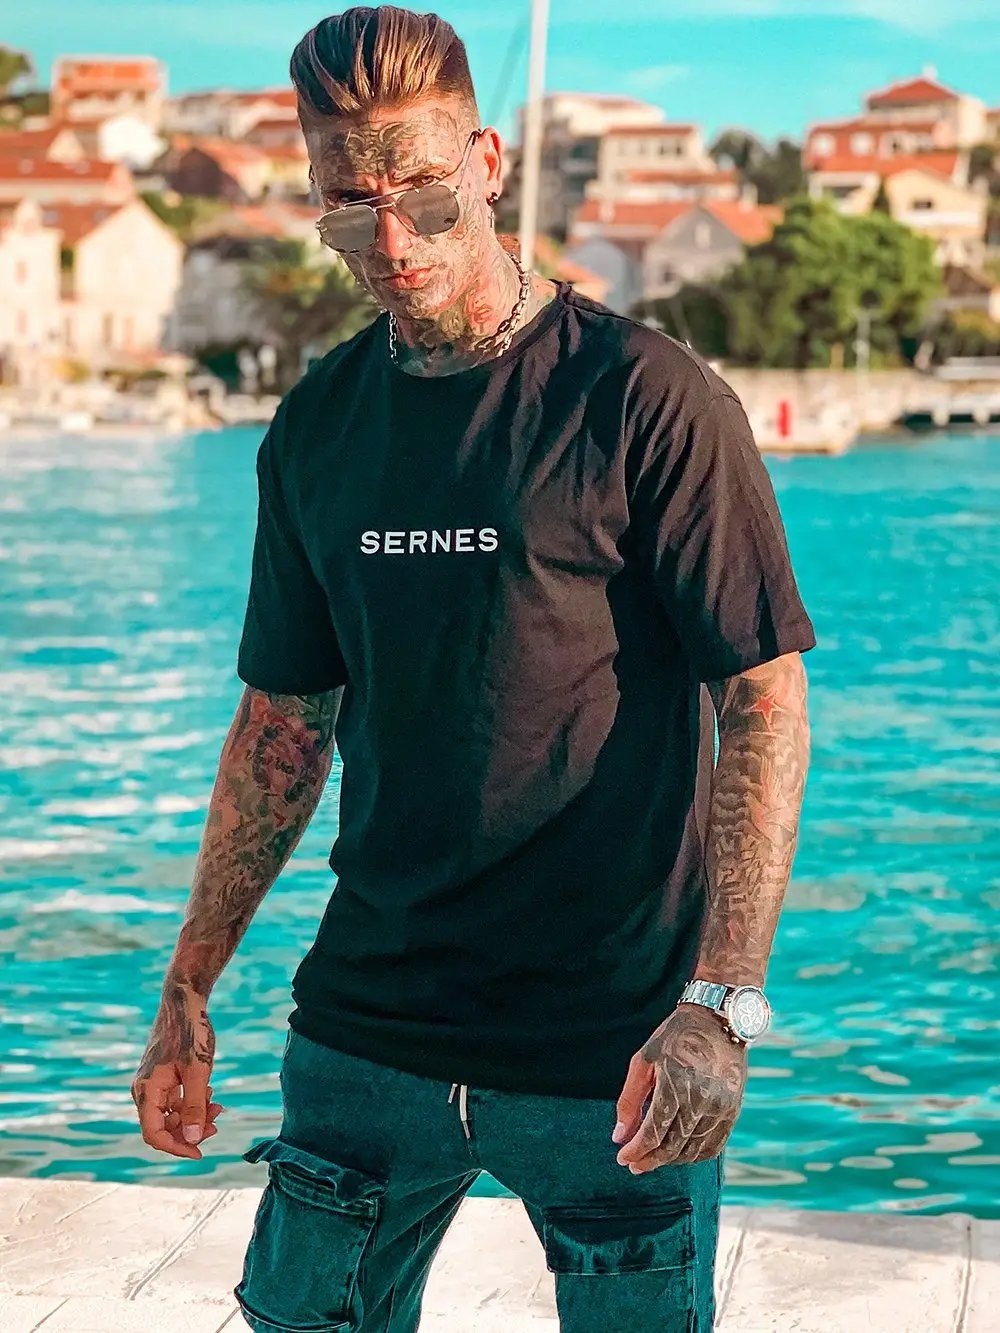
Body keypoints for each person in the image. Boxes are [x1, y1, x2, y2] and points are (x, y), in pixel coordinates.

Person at [129, 7, 815, 1330]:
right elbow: (283, 725)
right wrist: (186, 986)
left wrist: (722, 1001)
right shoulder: (319, 424)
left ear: (487, 163)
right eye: (349, 203)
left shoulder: (647, 399)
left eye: (423, 194)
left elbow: (764, 698)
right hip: (365, 1037)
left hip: (615, 1045)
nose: (389, 242)